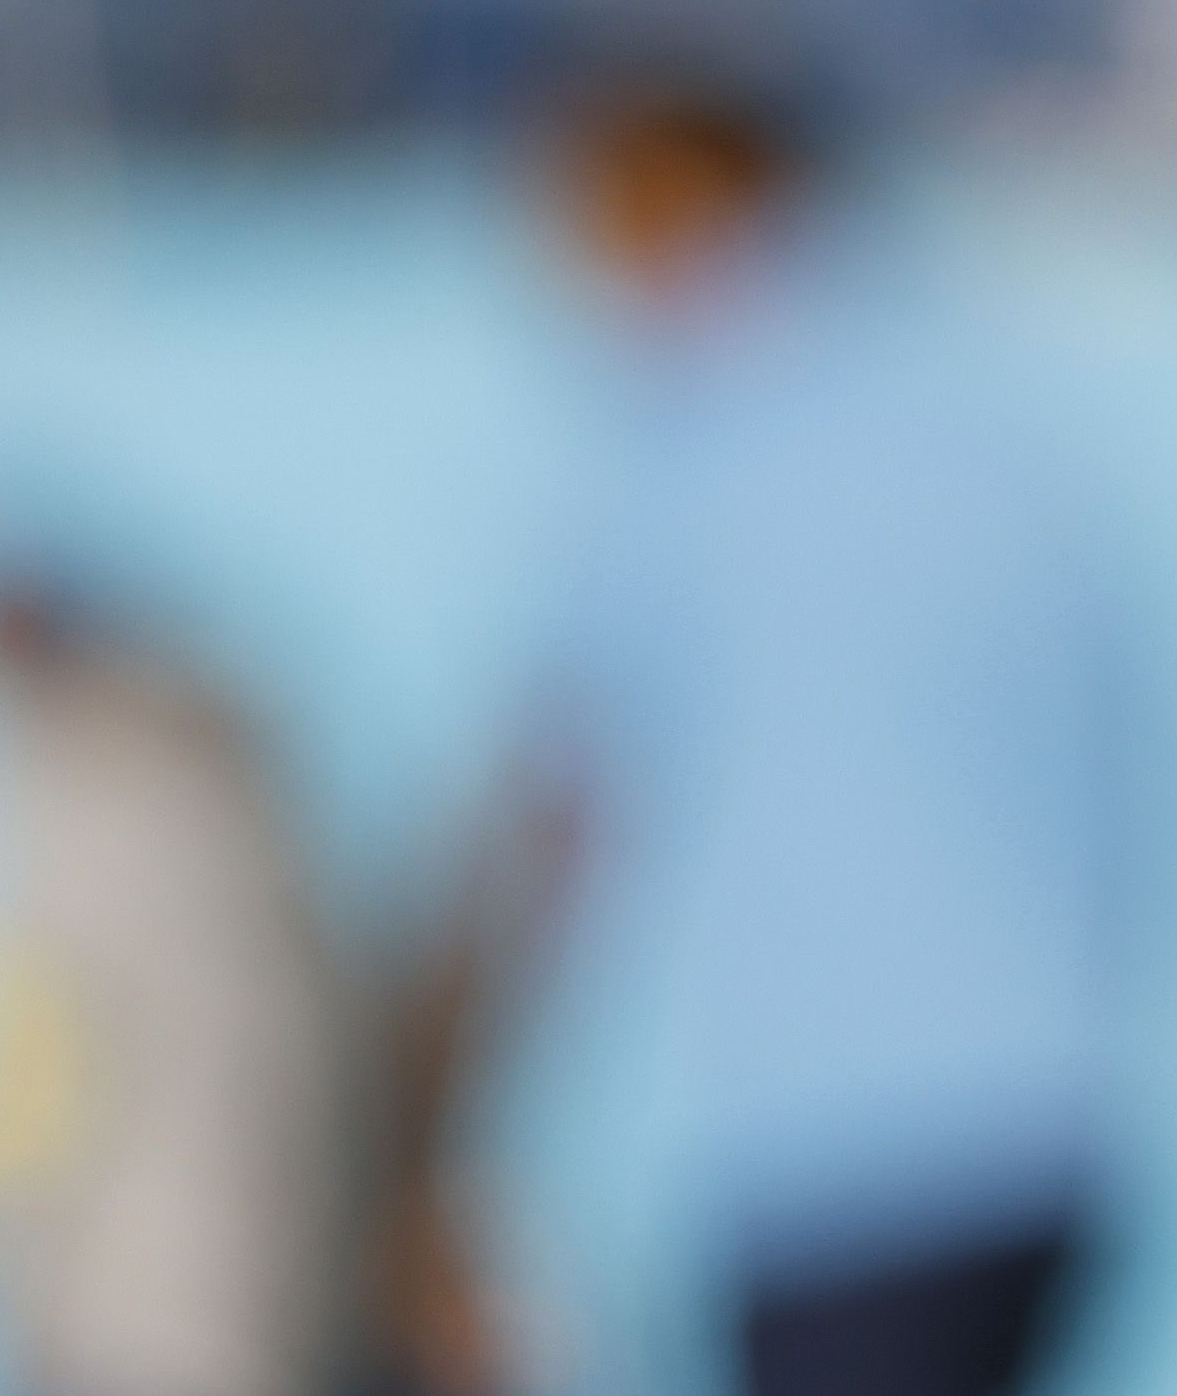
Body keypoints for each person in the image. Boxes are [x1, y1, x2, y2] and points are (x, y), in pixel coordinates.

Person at [384, 73, 1132, 1396]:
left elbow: (546, 819)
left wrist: (413, 1132)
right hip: (1046, 1137)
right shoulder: (979, 407)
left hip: (826, 1152)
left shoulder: (680, 441)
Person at [0, 560, 346, 1396]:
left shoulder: (55, 810)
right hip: (267, 1293)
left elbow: (5, 1075)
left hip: (126, 1308)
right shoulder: (230, 781)